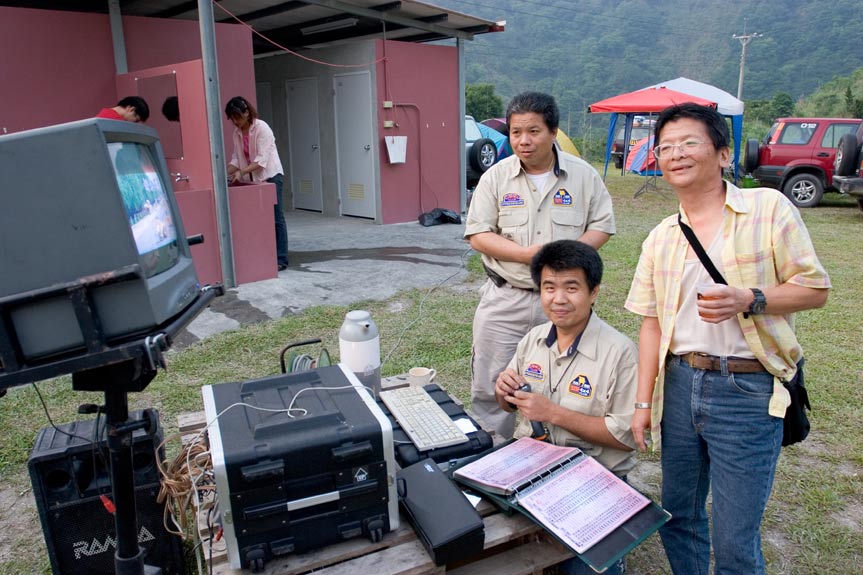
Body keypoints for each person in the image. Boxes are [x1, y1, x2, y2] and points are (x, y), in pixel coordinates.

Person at [625, 103, 831, 575]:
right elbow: (651, 323)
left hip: (747, 389)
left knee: (735, 542)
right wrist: (642, 403)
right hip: (680, 385)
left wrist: (750, 298)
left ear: (723, 154)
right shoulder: (661, 236)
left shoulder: (767, 209)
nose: (676, 154)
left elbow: (815, 290)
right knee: (679, 516)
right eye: (666, 147)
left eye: (689, 142)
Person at [464, 91, 615, 439]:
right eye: (516, 132)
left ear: (553, 132)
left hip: (564, 301)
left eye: (533, 131)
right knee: (492, 383)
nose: (523, 141)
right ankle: (492, 452)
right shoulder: (496, 177)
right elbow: (478, 235)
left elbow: (602, 225)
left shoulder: (583, 176)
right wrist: (528, 256)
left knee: (565, 380)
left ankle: (555, 451)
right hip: (506, 298)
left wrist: (566, 261)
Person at [495, 239, 637, 575]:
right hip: (531, 469)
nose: (558, 299)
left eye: (571, 288)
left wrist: (553, 413)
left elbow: (627, 437)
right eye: (549, 287)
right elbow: (507, 405)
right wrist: (503, 391)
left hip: (594, 479)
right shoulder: (533, 339)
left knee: (583, 569)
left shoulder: (620, 352)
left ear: (594, 292)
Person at [225, 96, 289, 271]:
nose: (235, 122)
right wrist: (223, 172)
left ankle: (281, 258)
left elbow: (261, 160)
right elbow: (236, 158)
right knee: (258, 219)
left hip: (271, 175)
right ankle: (265, 256)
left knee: (276, 218)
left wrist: (241, 172)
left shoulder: (262, 128)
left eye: (237, 117)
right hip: (252, 179)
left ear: (246, 112)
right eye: (232, 119)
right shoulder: (237, 133)